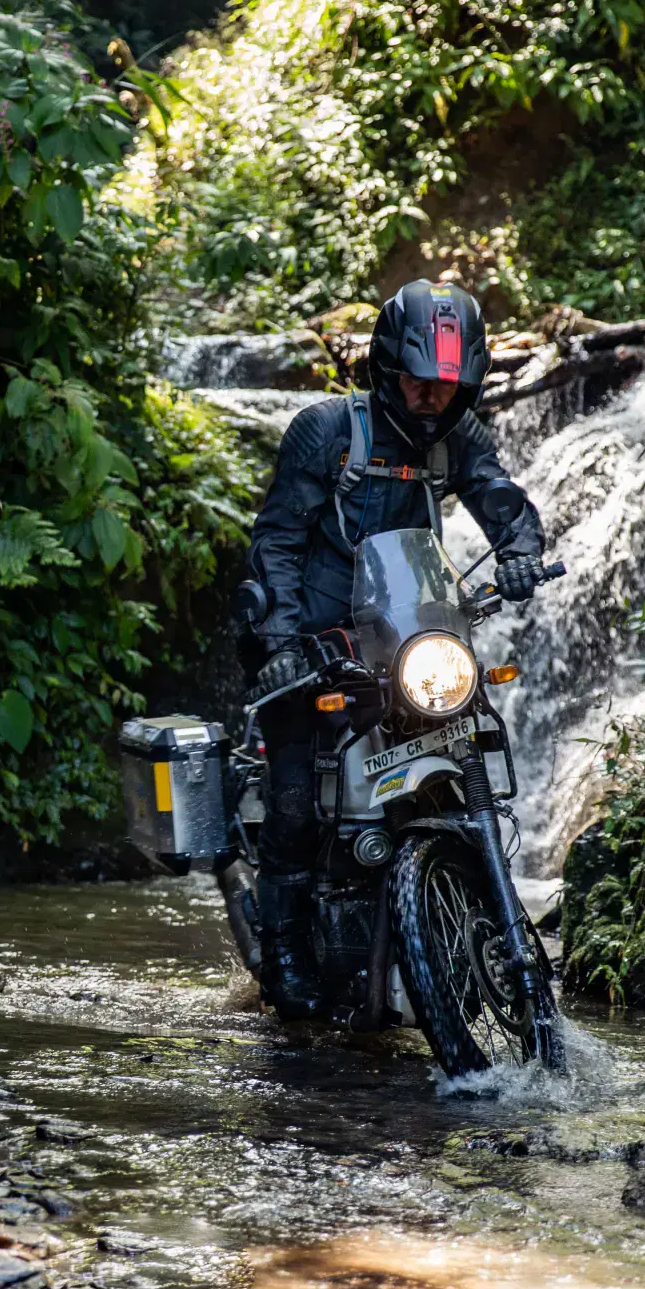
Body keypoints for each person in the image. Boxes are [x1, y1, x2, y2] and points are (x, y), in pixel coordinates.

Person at [239, 279, 546, 1019]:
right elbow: (276, 541)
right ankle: (283, 949)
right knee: (293, 802)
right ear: (385, 365)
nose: (431, 398)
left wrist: (522, 553)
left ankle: (472, 926)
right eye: (419, 380)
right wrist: (282, 639)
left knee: (472, 755)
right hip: (313, 642)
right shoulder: (328, 432)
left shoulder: (457, 440)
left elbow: (505, 503)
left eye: (448, 385)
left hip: (408, 641)